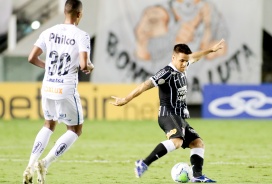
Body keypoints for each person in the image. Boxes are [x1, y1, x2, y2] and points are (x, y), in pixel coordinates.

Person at [111, 39, 224, 183]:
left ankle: (197, 176)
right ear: (173, 58)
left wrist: (211, 50)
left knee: (197, 143)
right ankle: (143, 163)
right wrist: (125, 99)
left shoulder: (185, 64)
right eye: (182, 61)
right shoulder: (166, 73)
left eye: (186, 61)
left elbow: (195, 56)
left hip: (179, 117)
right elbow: (144, 85)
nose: (184, 64)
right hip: (168, 114)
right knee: (176, 141)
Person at [22, 0, 94, 184]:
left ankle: (29, 165)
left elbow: (32, 57)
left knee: (48, 124)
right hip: (66, 88)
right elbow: (84, 64)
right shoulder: (82, 35)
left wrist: (48, 68)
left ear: (65, 12)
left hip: (48, 87)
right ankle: (45, 162)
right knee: (75, 129)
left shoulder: (49, 31)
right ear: (79, 14)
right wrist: (89, 66)